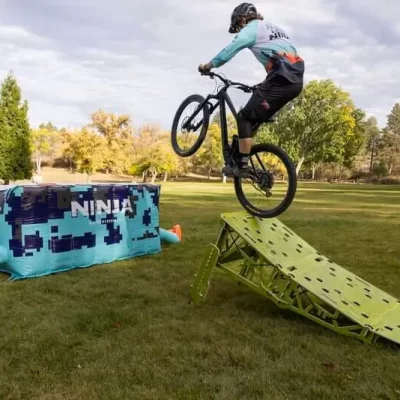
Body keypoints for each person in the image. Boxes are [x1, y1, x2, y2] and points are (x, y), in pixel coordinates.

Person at [199, 2, 305, 177]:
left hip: (281, 80)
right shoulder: (275, 29)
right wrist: (264, 85)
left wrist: (208, 66)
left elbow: (228, 51)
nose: (239, 29)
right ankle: (242, 154)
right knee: (253, 116)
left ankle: (242, 165)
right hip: (294, 82)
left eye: (238, 25)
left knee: (244, 116)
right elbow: (282, 60)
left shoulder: (251, 29)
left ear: (242, 19)